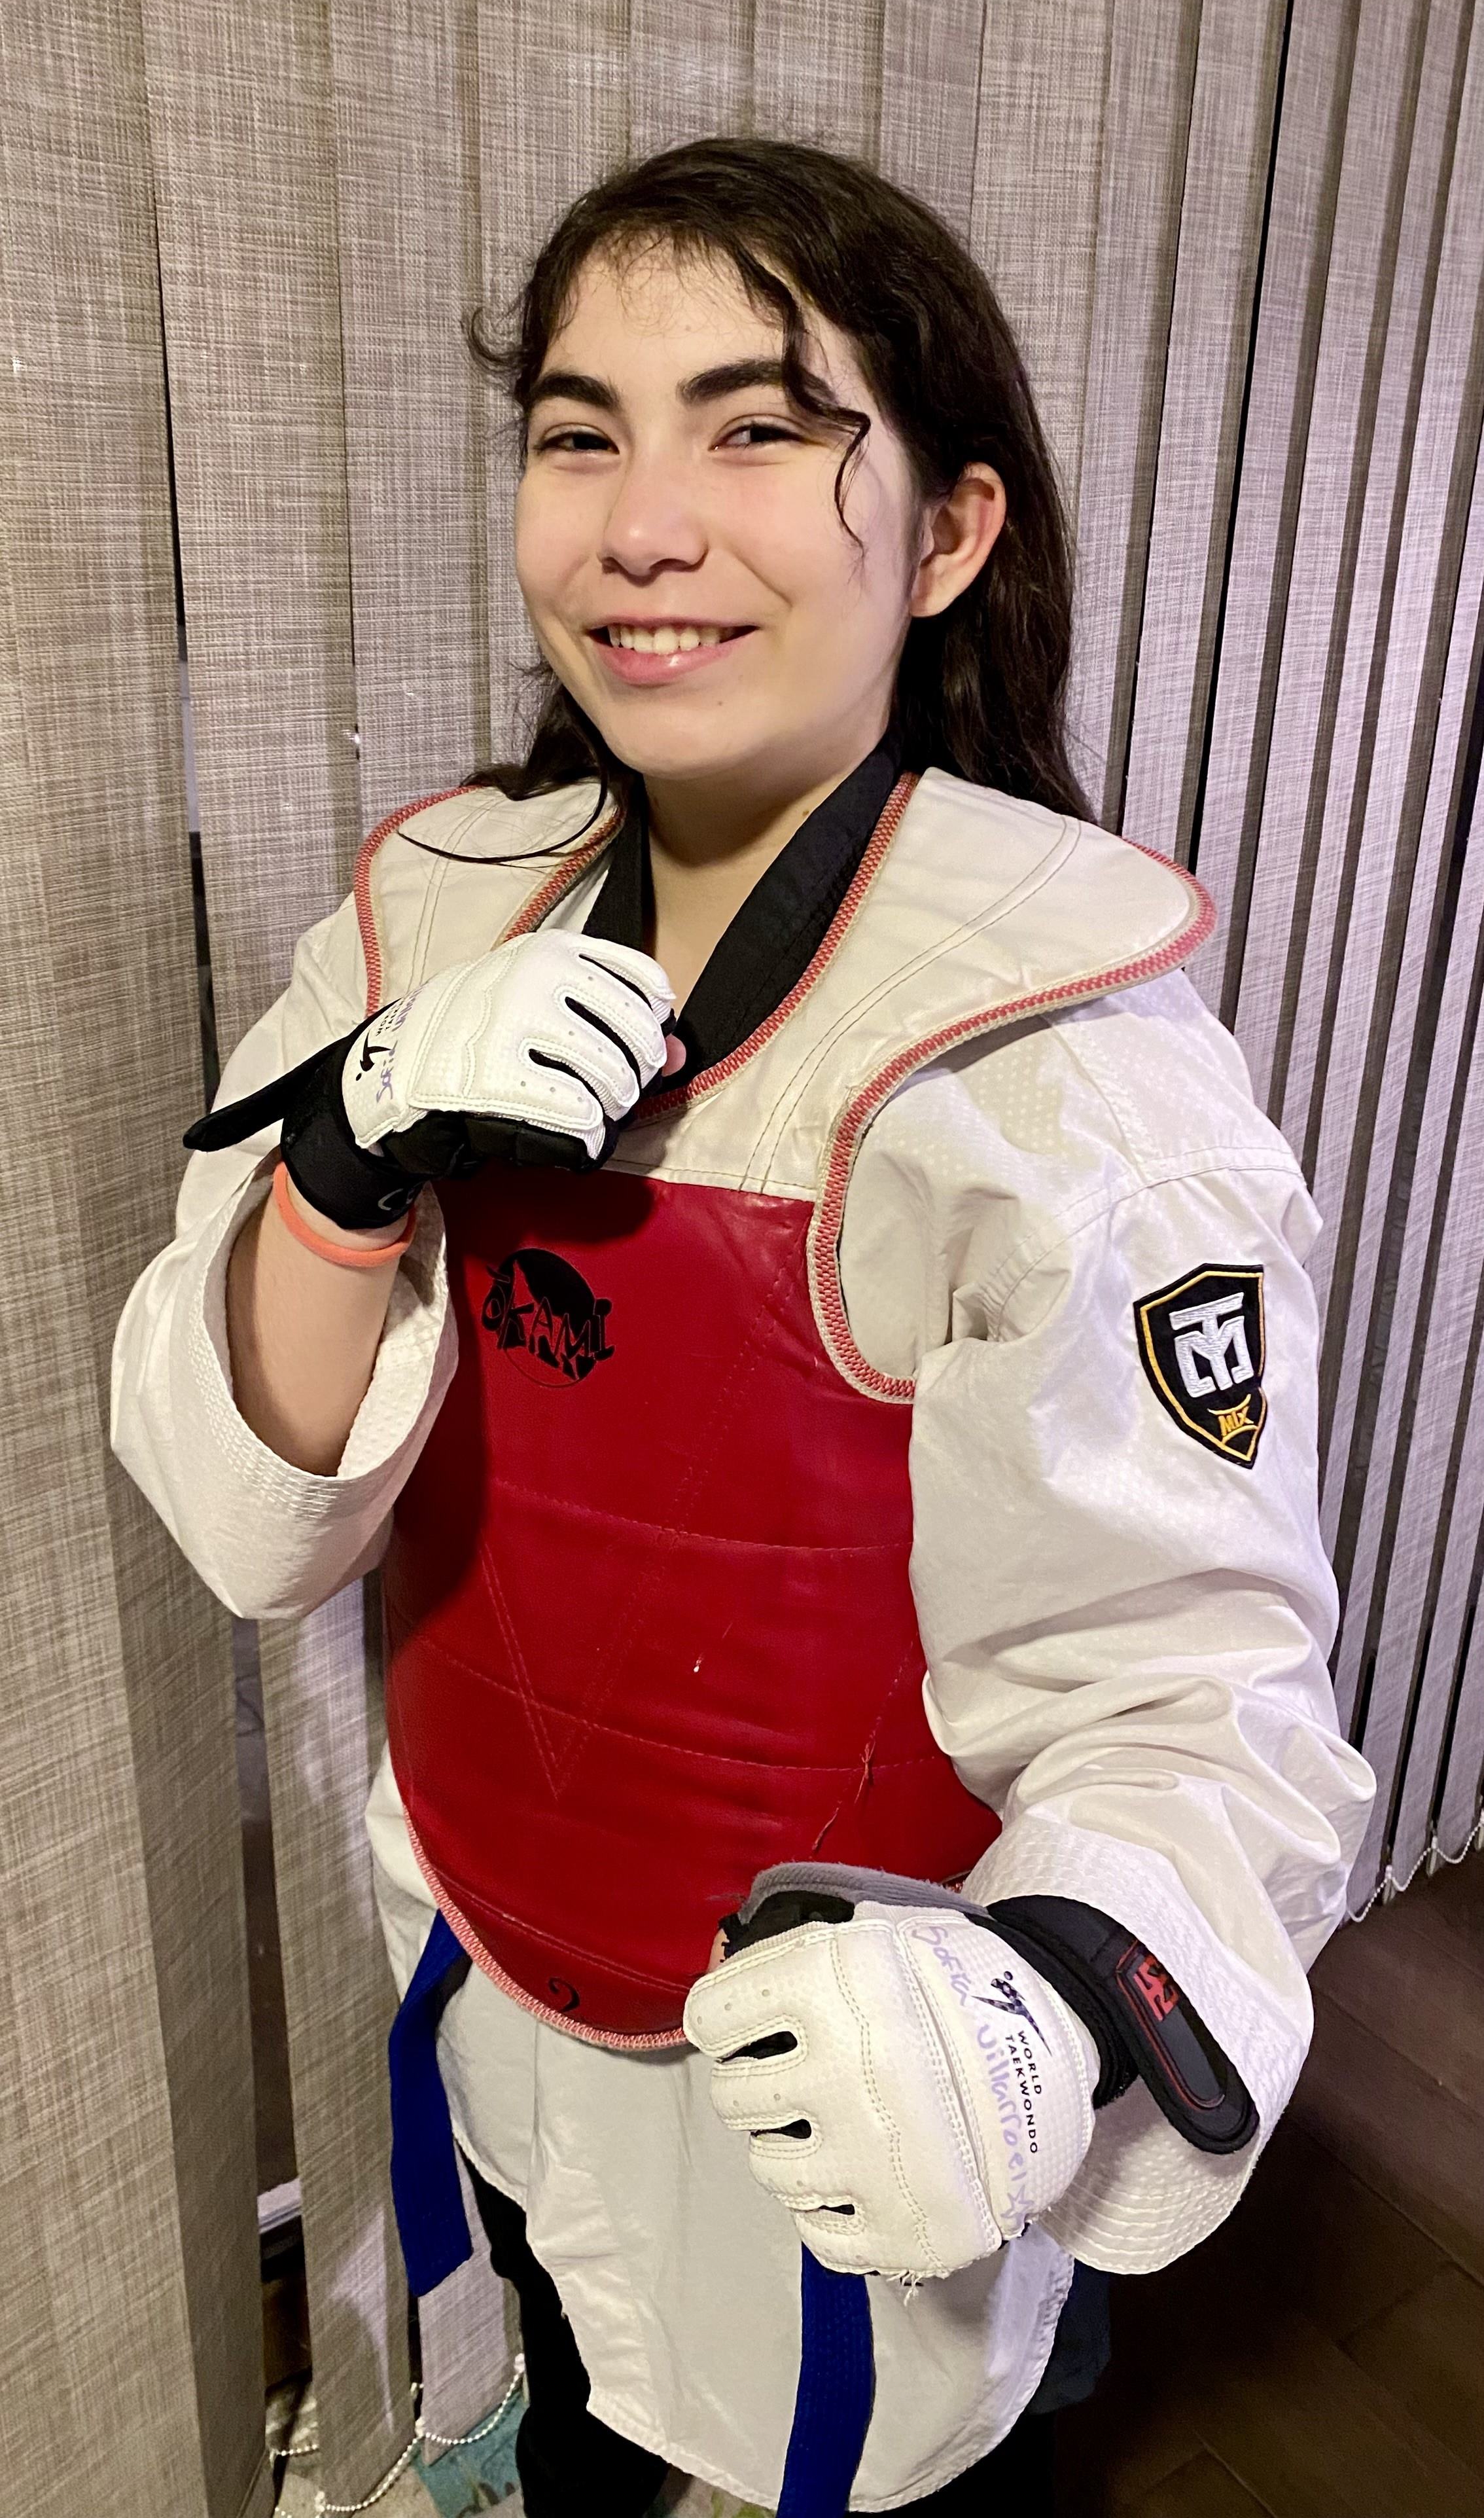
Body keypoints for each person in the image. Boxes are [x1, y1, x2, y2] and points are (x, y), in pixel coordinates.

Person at [112, 137, 1375, 2515]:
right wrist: (346, 1163)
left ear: (951, 531)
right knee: (585, 2401)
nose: (642, 524)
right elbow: (254, 1518)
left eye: (758, 429)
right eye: (578, 433)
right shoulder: (426, 925)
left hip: (871, 2072)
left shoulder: (1058, 1076)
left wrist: (1049, 2006)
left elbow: (1197, 1701)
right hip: (498, 1932)